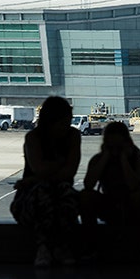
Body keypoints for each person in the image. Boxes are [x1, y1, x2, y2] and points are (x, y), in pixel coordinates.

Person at [11, 96, 82, 267]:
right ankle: (59, 247)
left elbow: (62, 172)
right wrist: (59, 165)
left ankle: (44, 248)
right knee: (52, 196)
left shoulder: (69, 135)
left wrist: (32, 179)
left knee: (52, 194)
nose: (68, 124)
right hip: (41, 195)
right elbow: (60, 171)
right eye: (65, 120)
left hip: (36, 193)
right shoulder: (35, 137)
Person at [79, 121, 140, 262]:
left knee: (137, 197)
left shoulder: (139, 159)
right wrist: (105, 158)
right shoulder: (99, 159)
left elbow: (135, 186)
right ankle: (90, 247)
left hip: (133, 204)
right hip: (110, 202)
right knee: (85, 197)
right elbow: (88, 185)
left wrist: (123, 160)